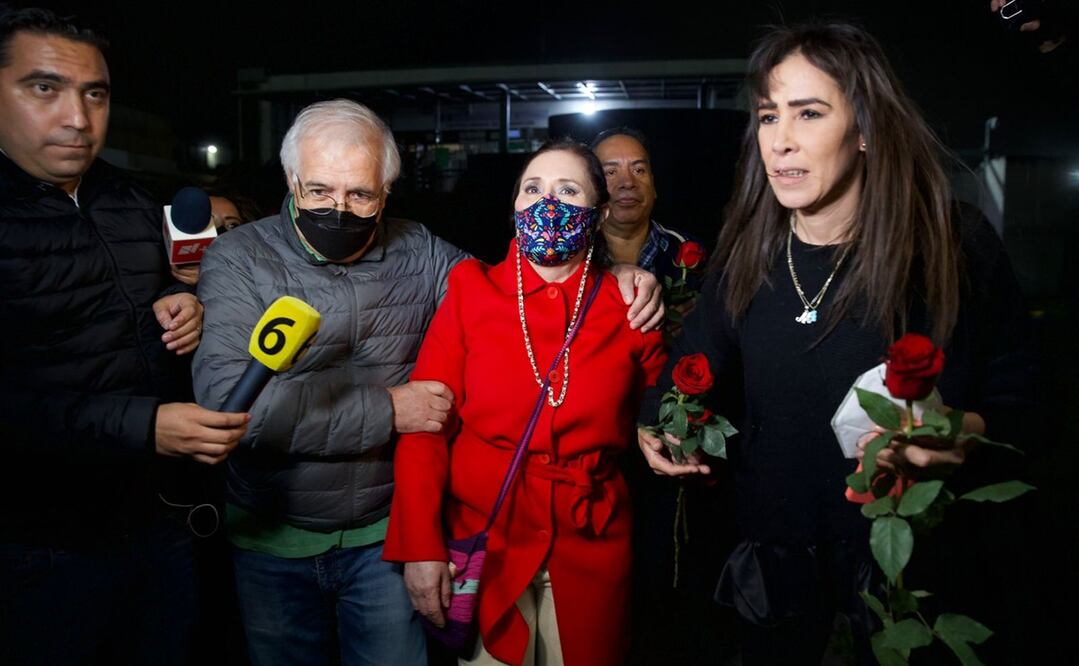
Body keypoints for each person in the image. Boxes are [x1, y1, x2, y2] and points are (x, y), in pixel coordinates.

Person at [193, 102, 663, 666]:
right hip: (275, 534)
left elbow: (522, 284)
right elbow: (231, 409)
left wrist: (620, 271)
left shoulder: (426, 256)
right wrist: (391, 410)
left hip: (380, 535)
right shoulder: (240, 258)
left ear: (387, 191)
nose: (338, 209)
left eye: (360, 194)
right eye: (318, 191)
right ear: (292, 181)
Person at [637, 22, 1032, 666]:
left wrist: (959, 434)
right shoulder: (747, 256)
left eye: (809, 113)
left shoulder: (950, 244)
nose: (781, 141)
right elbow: (689, 370)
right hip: (775, 586)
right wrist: (654, 423)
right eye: (768, 117)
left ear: (867, 129)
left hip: (911, 585)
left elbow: (1023, 401)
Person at [0, 7, 249, 665]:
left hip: (161, 528)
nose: (78, 118)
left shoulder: (136, 200)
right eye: (44, 88)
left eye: (95, 93)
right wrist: (142, 425)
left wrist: (178, 302)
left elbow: (162, 294)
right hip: (38, 550)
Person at [384, 139, 667, 666]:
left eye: (568, 190)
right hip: (487, 542)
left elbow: (666, 411)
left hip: (592, 540)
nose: (547, 203)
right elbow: (426, 425)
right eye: (532, 189)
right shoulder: (470, 292)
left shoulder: (629, 305)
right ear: (515, 205)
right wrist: (420, 547)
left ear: (598, 212)